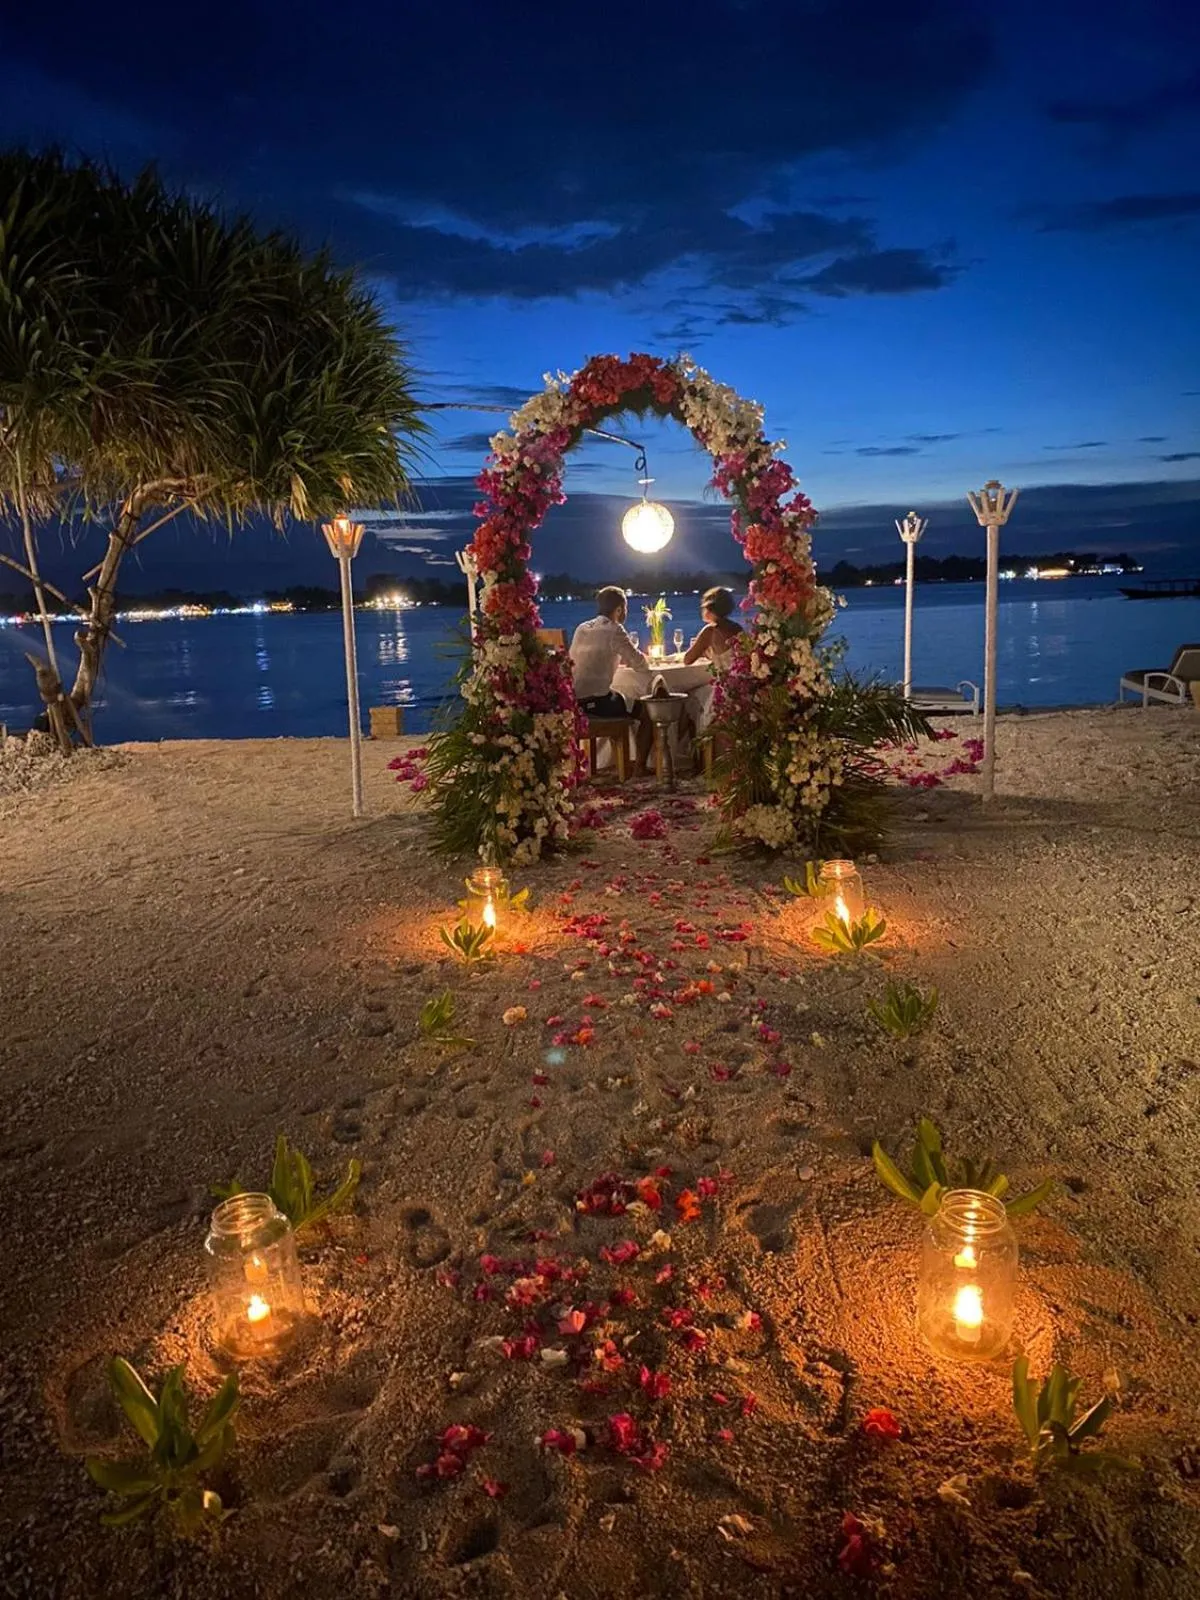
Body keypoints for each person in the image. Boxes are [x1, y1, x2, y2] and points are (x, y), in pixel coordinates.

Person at [569, 586, 653, 773]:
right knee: (648, 710)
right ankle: (640, 766)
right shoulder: (615, 630)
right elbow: (640, 664)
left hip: (573, 703)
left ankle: (616, 762)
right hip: (597, 704)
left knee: (622, 698)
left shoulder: (581, 628)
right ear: (619, 609)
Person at [684, 586, 743, 668]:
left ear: (709, 608)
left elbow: (687, 660)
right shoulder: (737, 627)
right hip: (741, 678)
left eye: (703, 607)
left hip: (726, 679)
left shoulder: (710, 631)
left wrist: (700, 648)